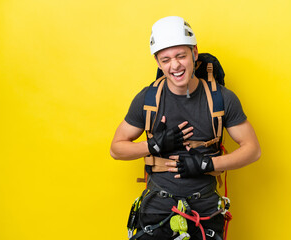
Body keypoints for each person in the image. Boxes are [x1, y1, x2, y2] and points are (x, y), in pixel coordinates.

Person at [110, 16, 261, 240]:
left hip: (206, 209)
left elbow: (253, 150)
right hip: (157, 208)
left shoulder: (222, 99)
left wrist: (207, 163)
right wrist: (154, 145)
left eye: (181, 56)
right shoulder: (148, 99)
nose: (175, 66)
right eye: (166, 59)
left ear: (194, 53)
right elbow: (116, 149)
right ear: (158, 62)